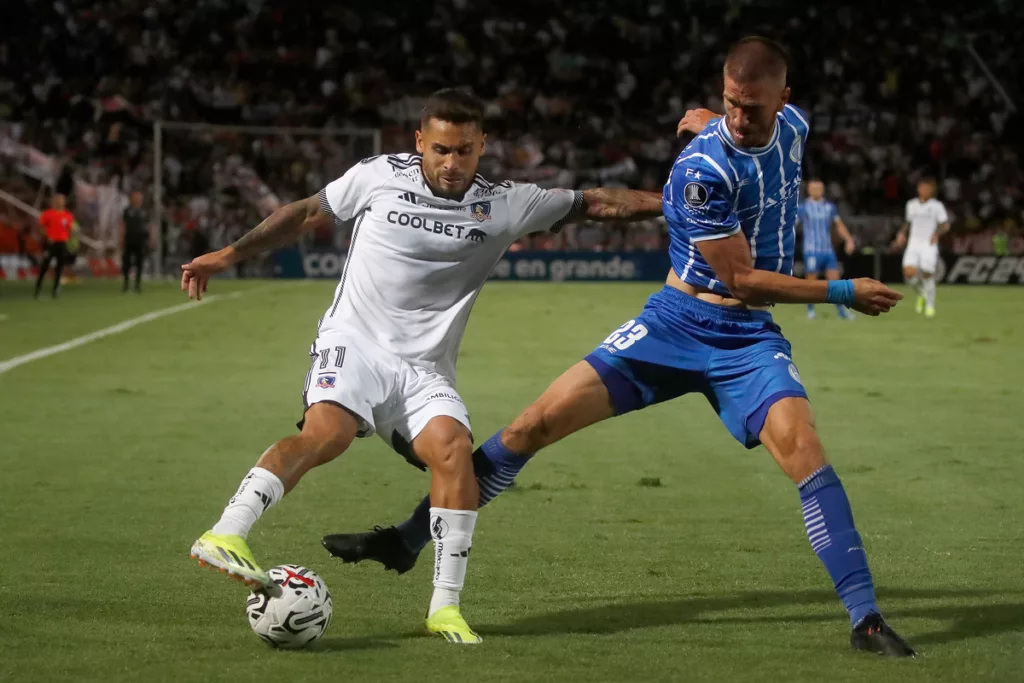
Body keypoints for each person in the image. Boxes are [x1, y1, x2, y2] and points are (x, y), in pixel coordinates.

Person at [324, 38, 915, 658]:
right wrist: (842, 288)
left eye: (753, 108)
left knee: (808, 454)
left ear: (783, 102)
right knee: (532, 425)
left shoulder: (794, 126)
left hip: (747, 339)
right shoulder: (700, 171)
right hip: (675, 324)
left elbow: (757, 146)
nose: (740, 119)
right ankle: (408, 540)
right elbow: (738, 277)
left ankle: (865, 619)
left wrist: (714, 120)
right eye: (730, 105)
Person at [179, 88, 662, 645]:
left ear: (482, 146)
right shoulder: (377, 174)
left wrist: (686, 201)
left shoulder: (507, 202)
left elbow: (598, 203)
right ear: (419, 144)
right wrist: (229, 254)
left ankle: (445, 608)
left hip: (425, 369)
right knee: (328, 434)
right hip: (354, 343)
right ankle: (226, 531)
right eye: (439, 150)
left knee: (455, 452)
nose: (451, 164)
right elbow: (308, 211)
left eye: (463, 151)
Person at [797, 180, 856, 319]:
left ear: (822, 190)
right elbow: (792, 226)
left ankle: (842, 312)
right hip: (811, 250)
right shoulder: (803, 208)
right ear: (809, 190)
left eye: (819, 188)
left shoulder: (829, 207)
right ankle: (811, 311)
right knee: (811, 283)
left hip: (828, 250)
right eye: (813, 188)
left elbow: (839, 225)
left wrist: (848, 239)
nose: (816, 191)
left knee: (835, 281)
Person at [892, 178, 949, 318]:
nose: (924, 190)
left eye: (928, 188)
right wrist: (901, 234)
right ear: (918, 189)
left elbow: (945, 225)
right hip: (913, 243)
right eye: (922, 187)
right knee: (909, 274)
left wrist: (937, 233)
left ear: (932, 190)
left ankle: (930, 306)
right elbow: (908, 222)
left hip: (929, 244)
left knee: (927, 274)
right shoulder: (911, 205)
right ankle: (921, 293)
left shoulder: (937, 206)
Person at [34, 194, 74, 299]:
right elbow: (40, 227)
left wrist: (67, 238)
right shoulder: (47, 214)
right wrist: (47, 236)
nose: (59, 202)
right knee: (45, 265)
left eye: (61, 200)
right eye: (57, 200)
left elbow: (69, 229)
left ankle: (55, 289)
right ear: (53, 201)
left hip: (62, 243)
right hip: (51, 243)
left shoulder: (67, 215)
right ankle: (38, 287)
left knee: (60, 267)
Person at [121, 191, 152, 293]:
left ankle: (137, 285)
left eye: (139, 197)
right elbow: (122, 225)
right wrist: (120, 238)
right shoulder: (127, 211)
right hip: (129, 239)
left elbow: (150, 226)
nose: (138, 199)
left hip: (141, 240)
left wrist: (151, 238)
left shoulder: (145, 211)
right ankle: (126, 284)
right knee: (127, 263)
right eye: (136, 197)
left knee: (139, 262)